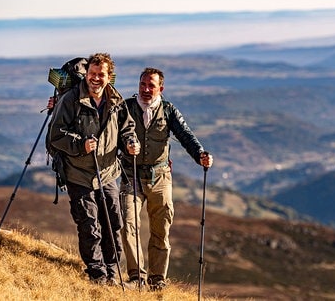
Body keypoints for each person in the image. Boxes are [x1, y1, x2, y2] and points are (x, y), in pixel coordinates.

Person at [47, 53, 140, 286]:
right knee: (89, 224)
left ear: (110, 77)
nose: (95, 79)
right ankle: (97, 274)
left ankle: (113, 270)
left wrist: (130, 141)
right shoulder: (70, 100)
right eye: (92, 74)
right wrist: (80, 144)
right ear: (86, 74)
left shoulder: (116, 101)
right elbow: (55, 136)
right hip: (79, 174)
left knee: (112, 222)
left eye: (101, 75)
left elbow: (126, 128)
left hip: (108, 173)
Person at [119, 67, 213, 291]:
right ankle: (136, 277)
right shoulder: (126, 108)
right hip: (130, 175)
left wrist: (200, 154)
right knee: (127, 225)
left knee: (161, 228)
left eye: (151, 85)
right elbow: (114, 133)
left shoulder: (168, 110)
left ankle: (157, 279)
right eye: (143, 84)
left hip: (160, 177)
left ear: (161, 88)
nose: (146, 89)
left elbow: (185, 134)